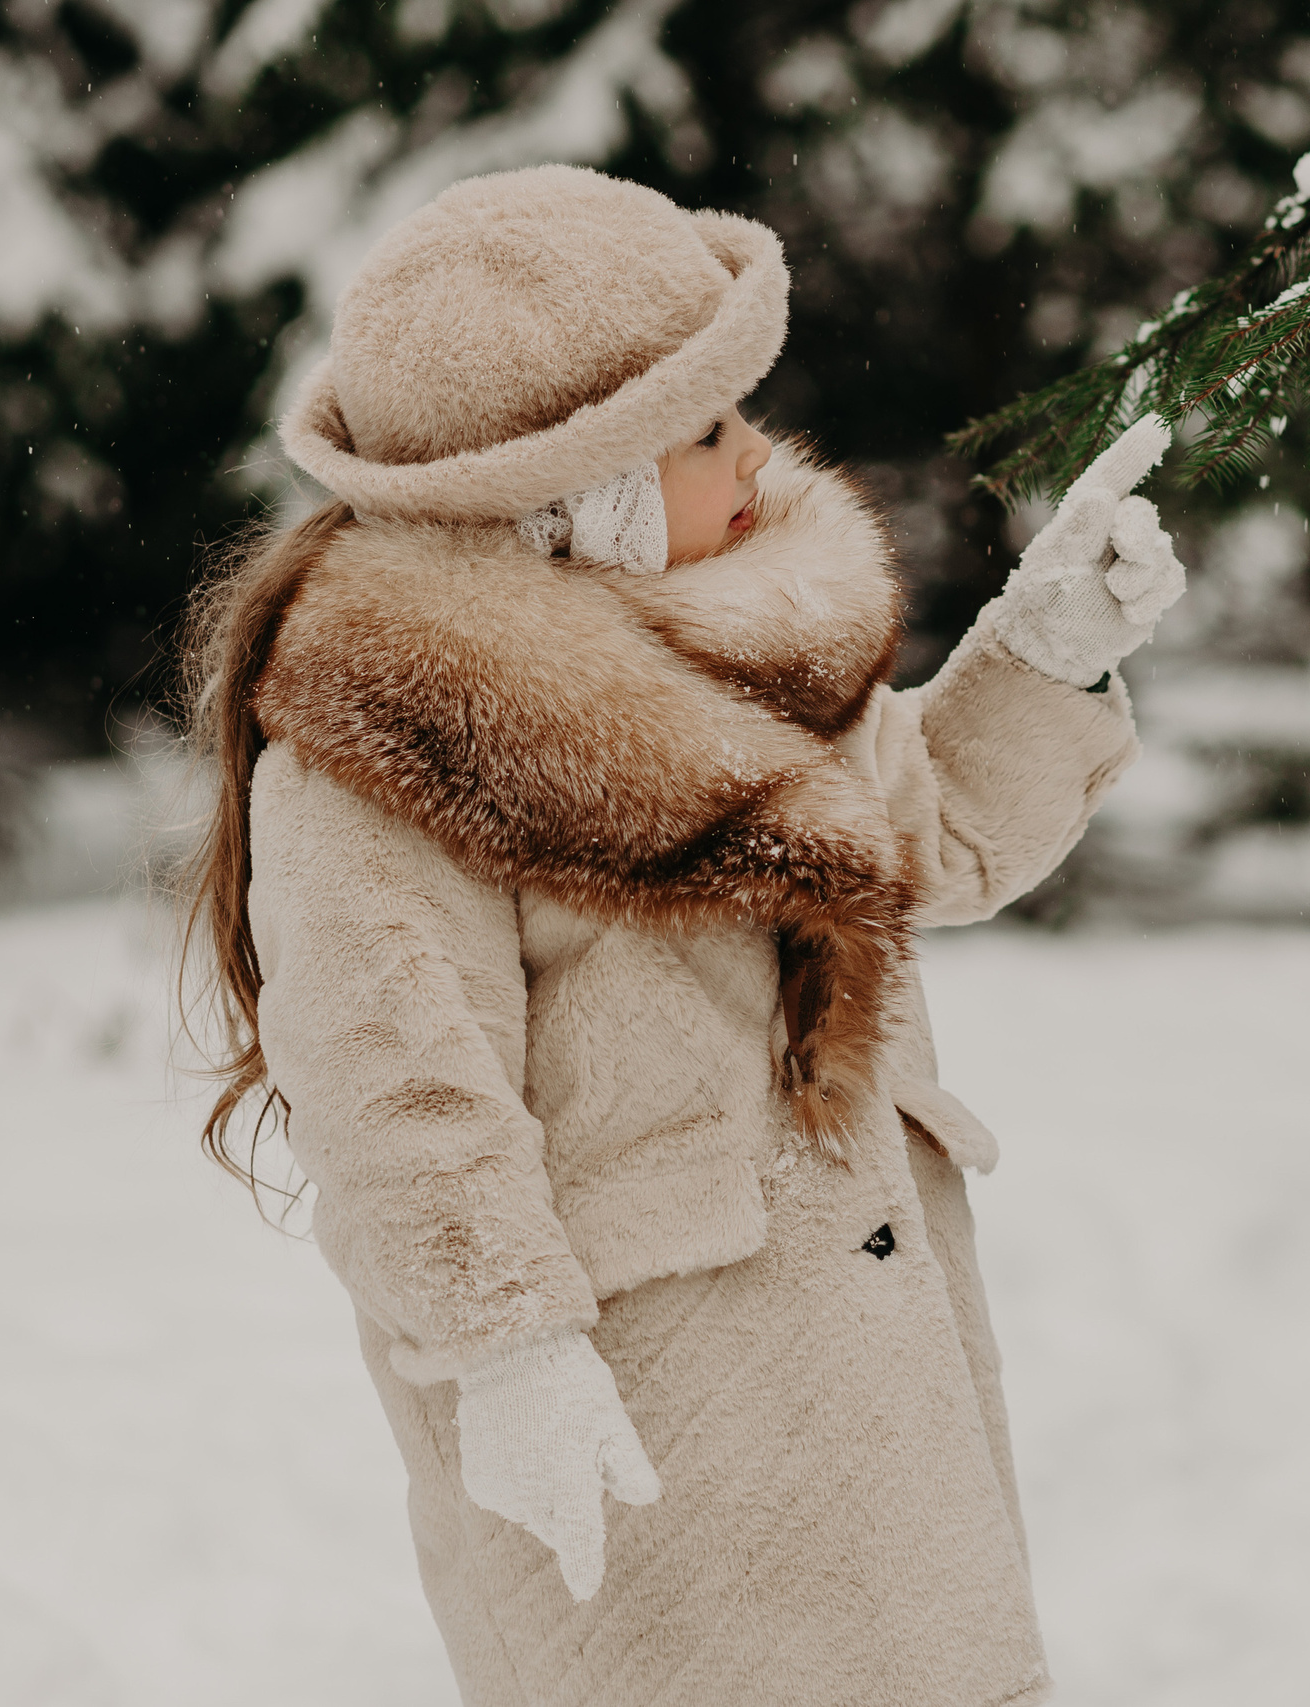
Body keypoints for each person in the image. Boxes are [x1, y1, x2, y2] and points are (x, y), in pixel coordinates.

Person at [179, 163, 1185, 1707]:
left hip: (862, 1381)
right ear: (568, 489)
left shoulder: (733, 636)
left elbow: (922, 836)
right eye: (708, 429)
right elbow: (392, 1071)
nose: (755, 455)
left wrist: (1045, 655)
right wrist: (506, 1350)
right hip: (639, 1411)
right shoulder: (390, 744)